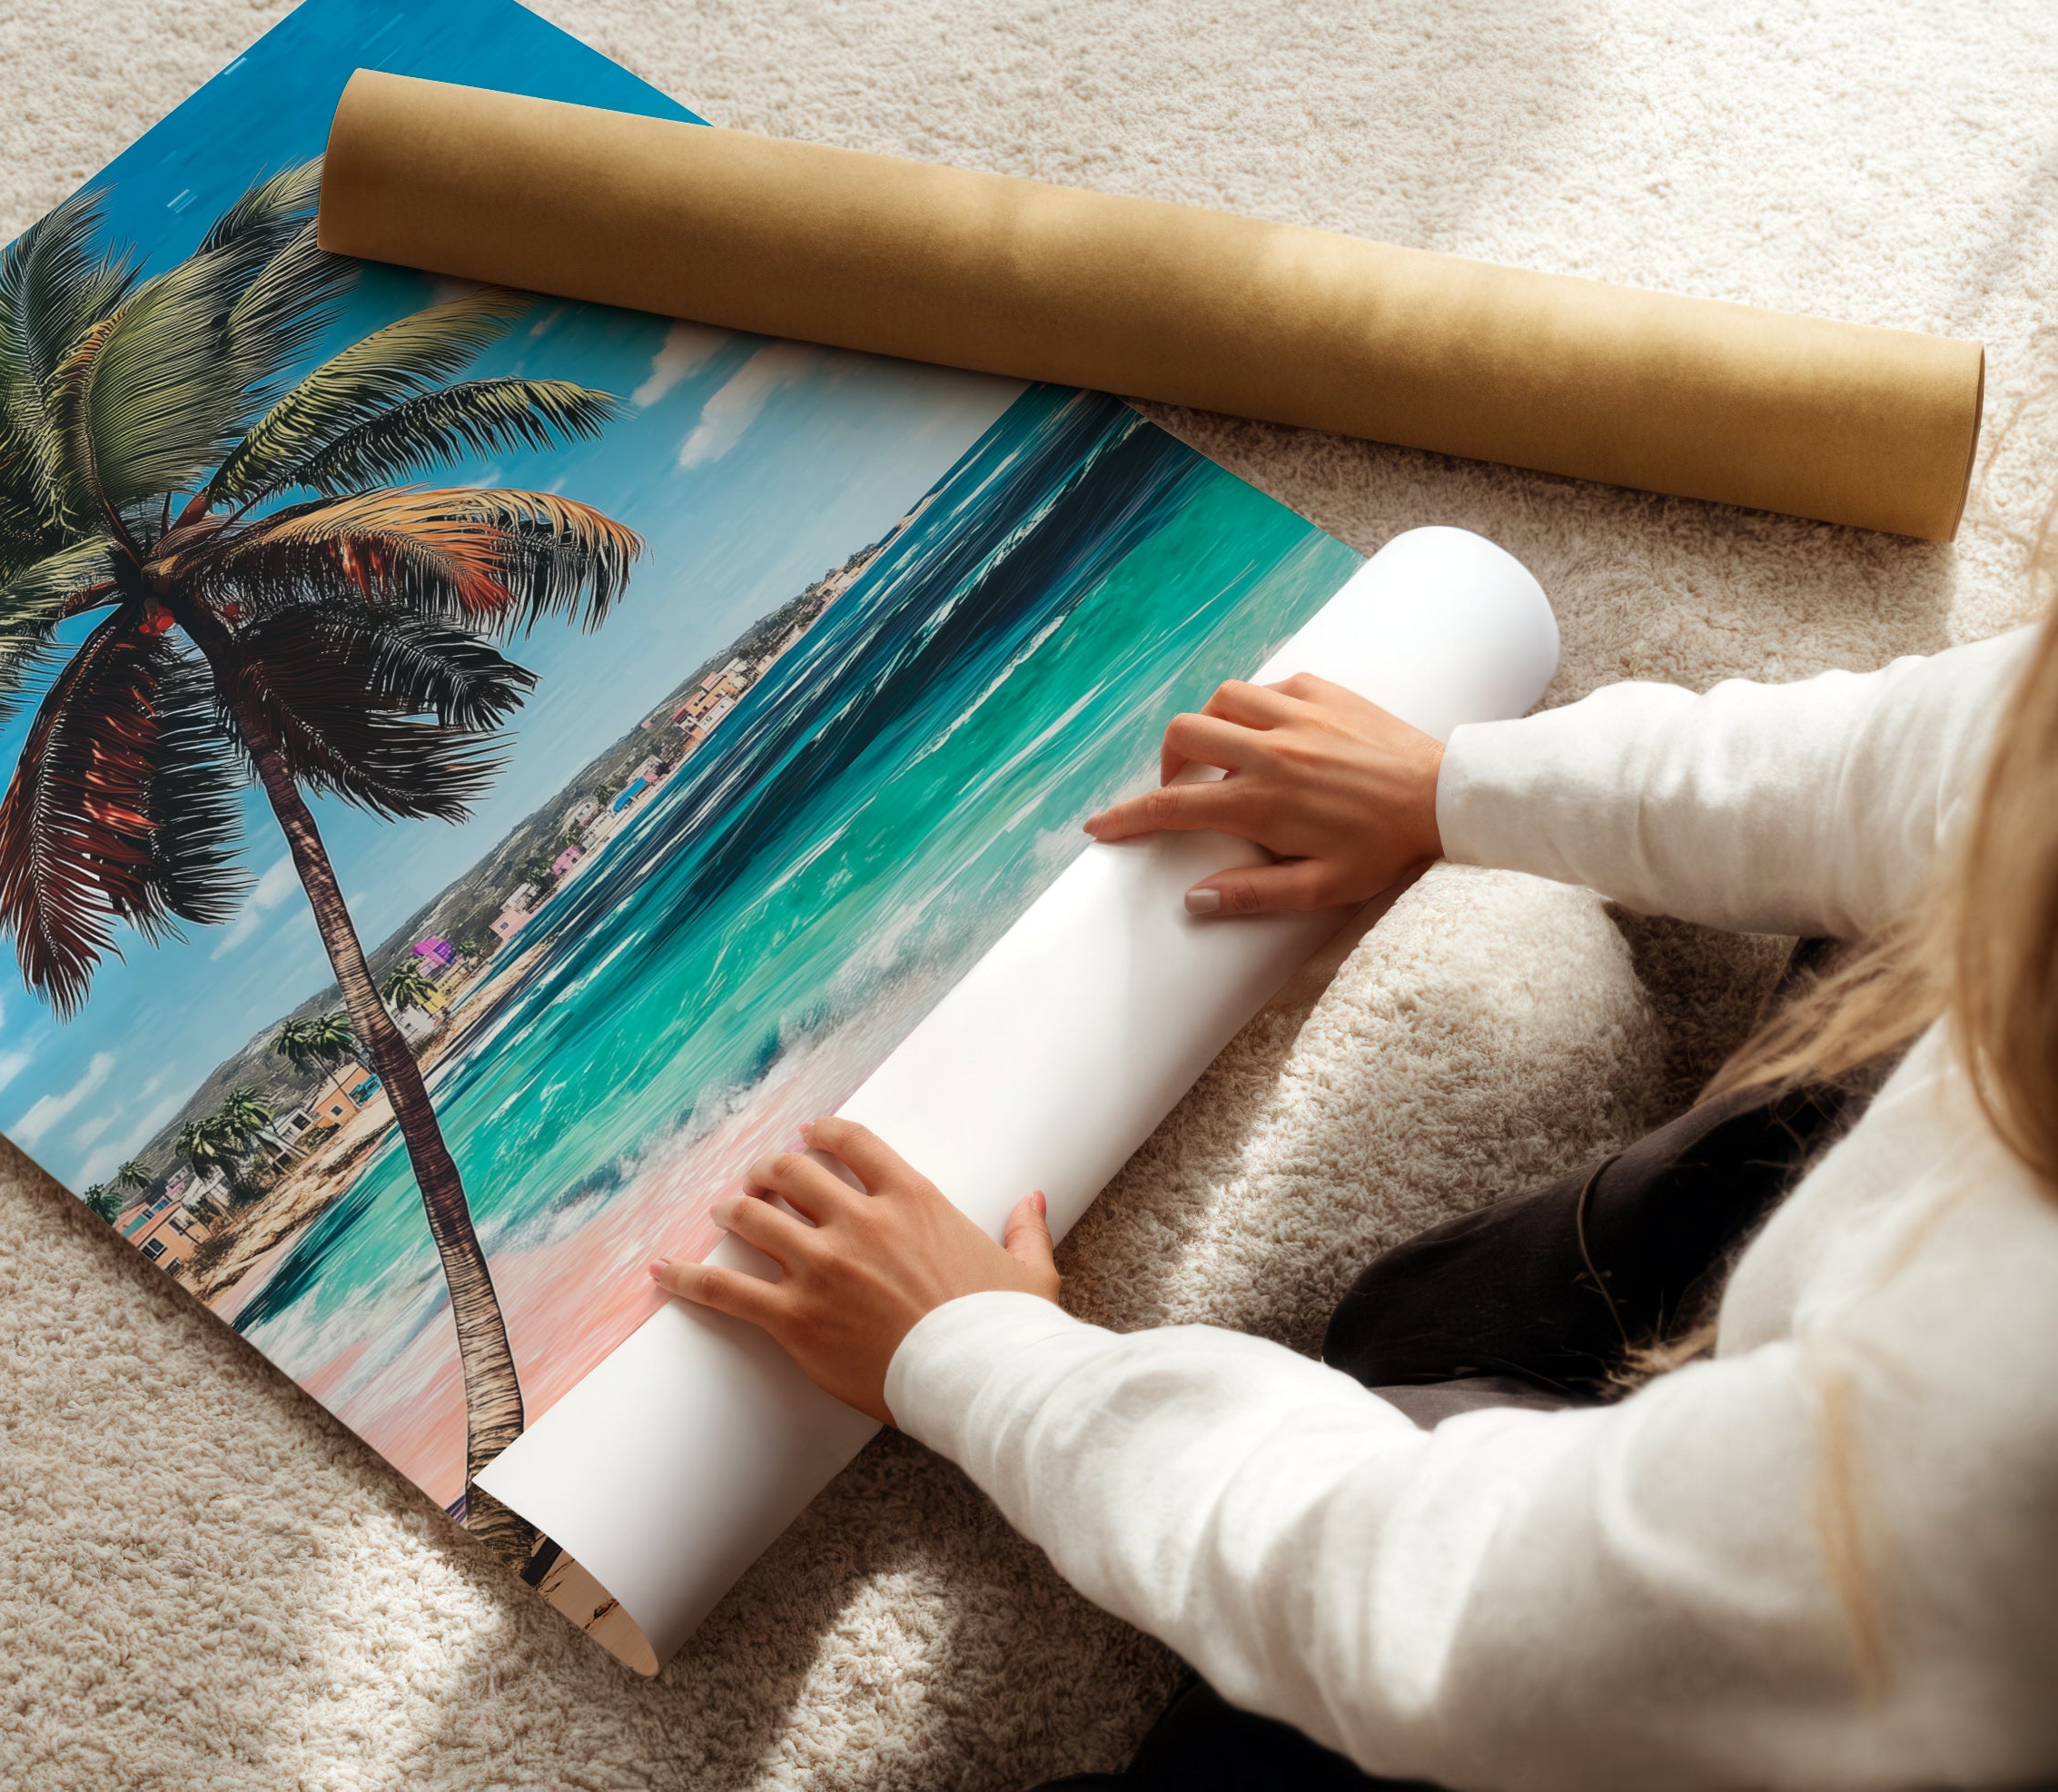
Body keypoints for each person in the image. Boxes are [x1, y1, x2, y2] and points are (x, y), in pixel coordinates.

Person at [651, 626, 2058, 1789]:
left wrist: (981, 1358)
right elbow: (1937, 757)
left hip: (1867, 1657)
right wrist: (1452, 785)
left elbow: (1446, 1609)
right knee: (1420, 1319)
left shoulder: (1992, 1437)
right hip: (1862, 1411)